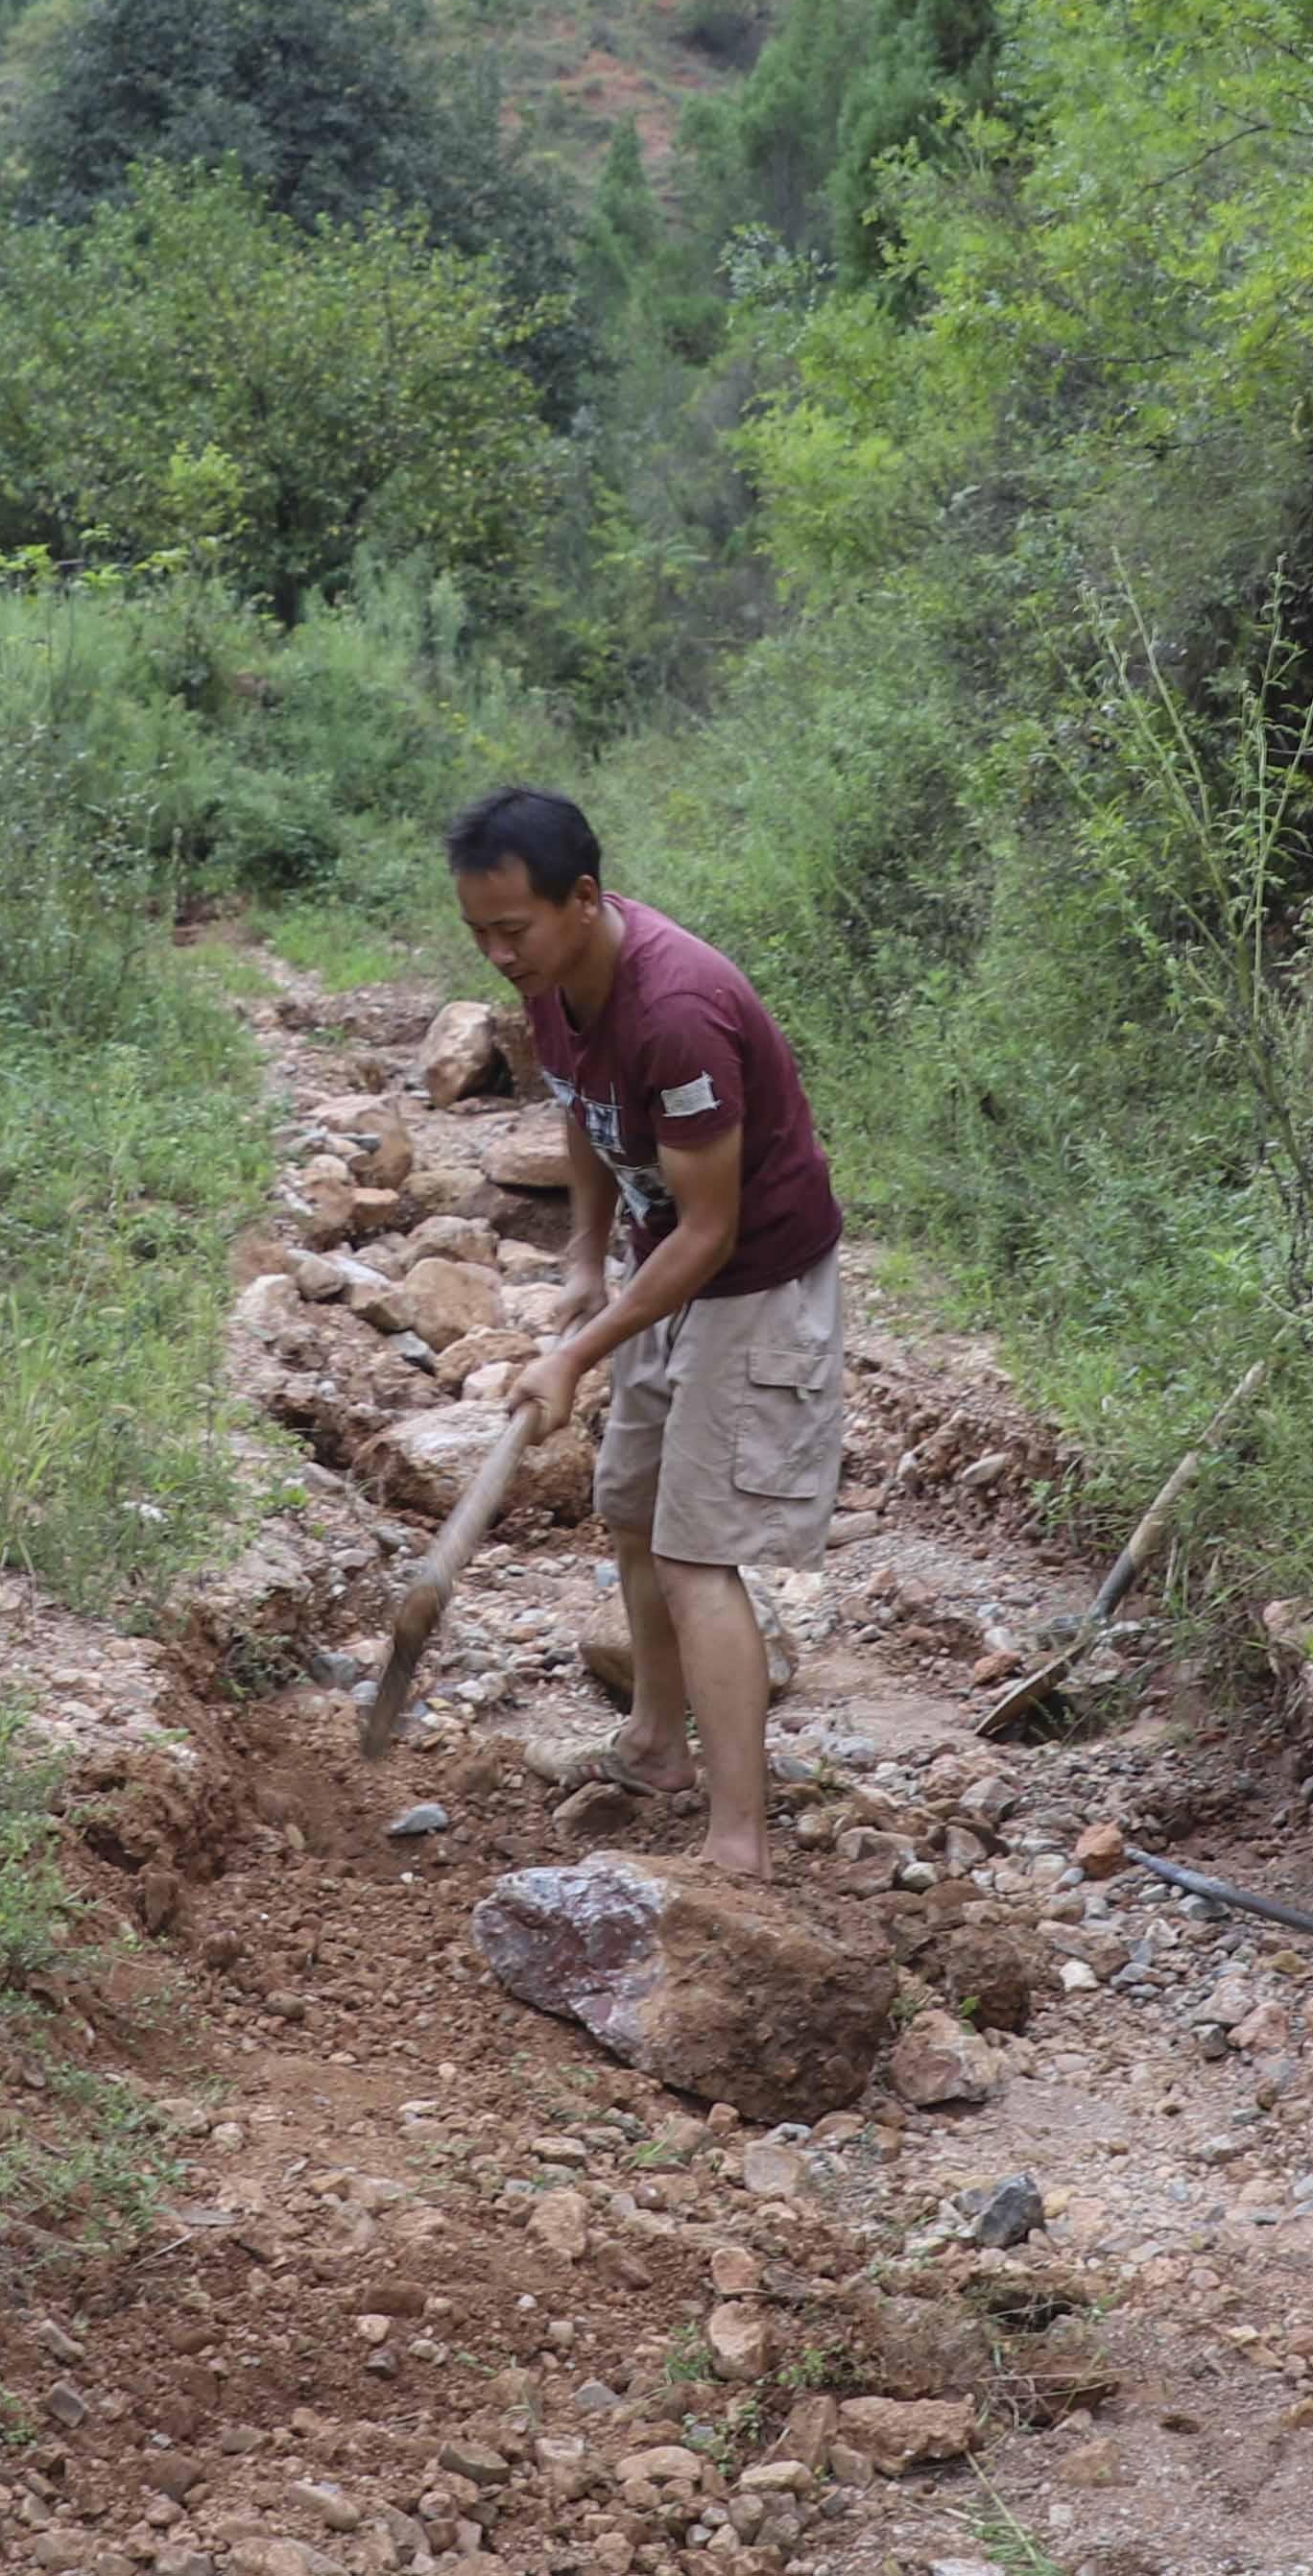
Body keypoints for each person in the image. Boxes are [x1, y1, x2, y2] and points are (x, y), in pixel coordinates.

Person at [444, 784, 847, 1878]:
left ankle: (737, 1839)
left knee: (693, 1552)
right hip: (661, 1264)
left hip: (750, 1279)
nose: (495, 954)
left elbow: (710, 1231)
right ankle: (655, 1745)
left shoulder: (677, 1011)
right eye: (476, 930)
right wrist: (584, 1256)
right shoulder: (555, 981)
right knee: (631, 1513)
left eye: (511, 929)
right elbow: (583, 1111)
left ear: (584, 897)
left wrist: (574, 1351)